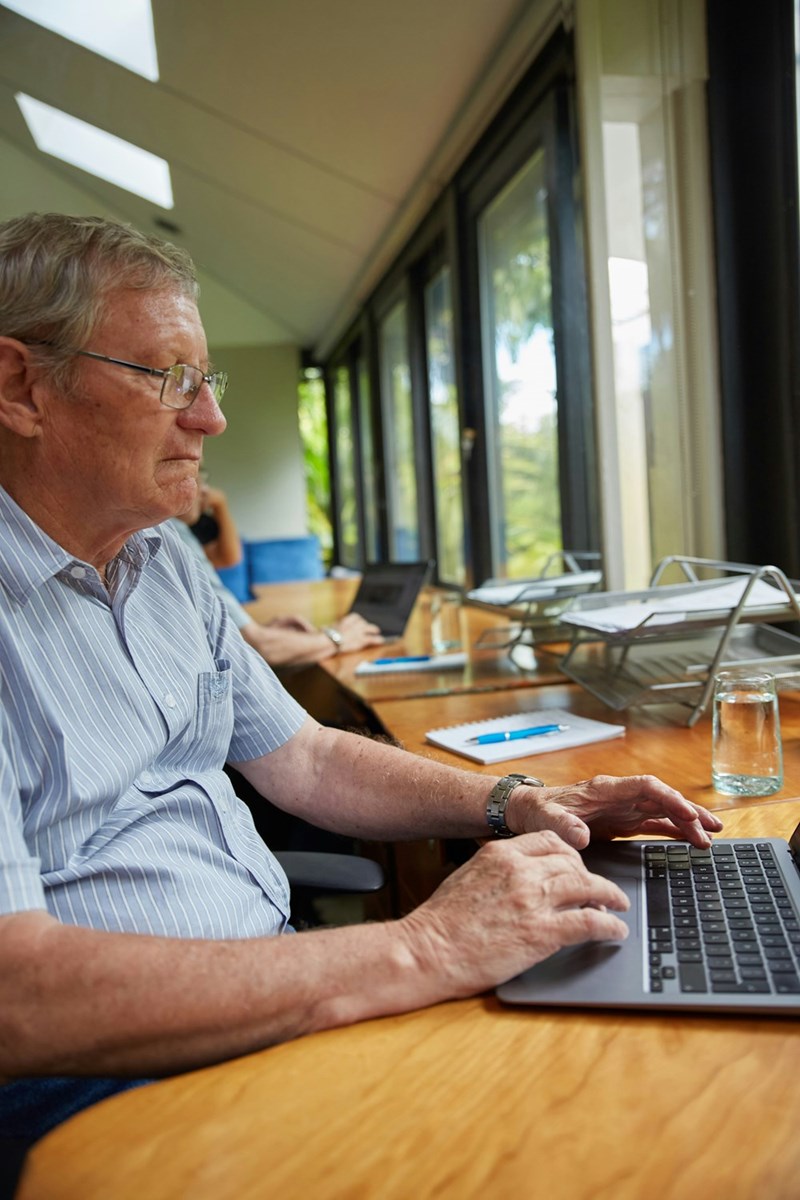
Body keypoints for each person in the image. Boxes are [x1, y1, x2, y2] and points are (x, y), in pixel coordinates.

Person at [0, 213, 723, 1141]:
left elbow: (304, 760)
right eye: (168, 378)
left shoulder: (164, 561)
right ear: (21, 387)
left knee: (619, 1081)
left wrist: (522, 799)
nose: (210, 417)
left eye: (206, 381)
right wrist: (421, 944)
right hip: (96, 1084)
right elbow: (18, 996)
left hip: (272, 989)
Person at [172, 485, 384, 665]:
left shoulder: (182, 534)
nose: (205, 487)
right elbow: (261, 646)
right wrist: (339, 638)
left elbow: (228, 559)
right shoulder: (176, 536)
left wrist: (267, 632)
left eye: (203, 474)